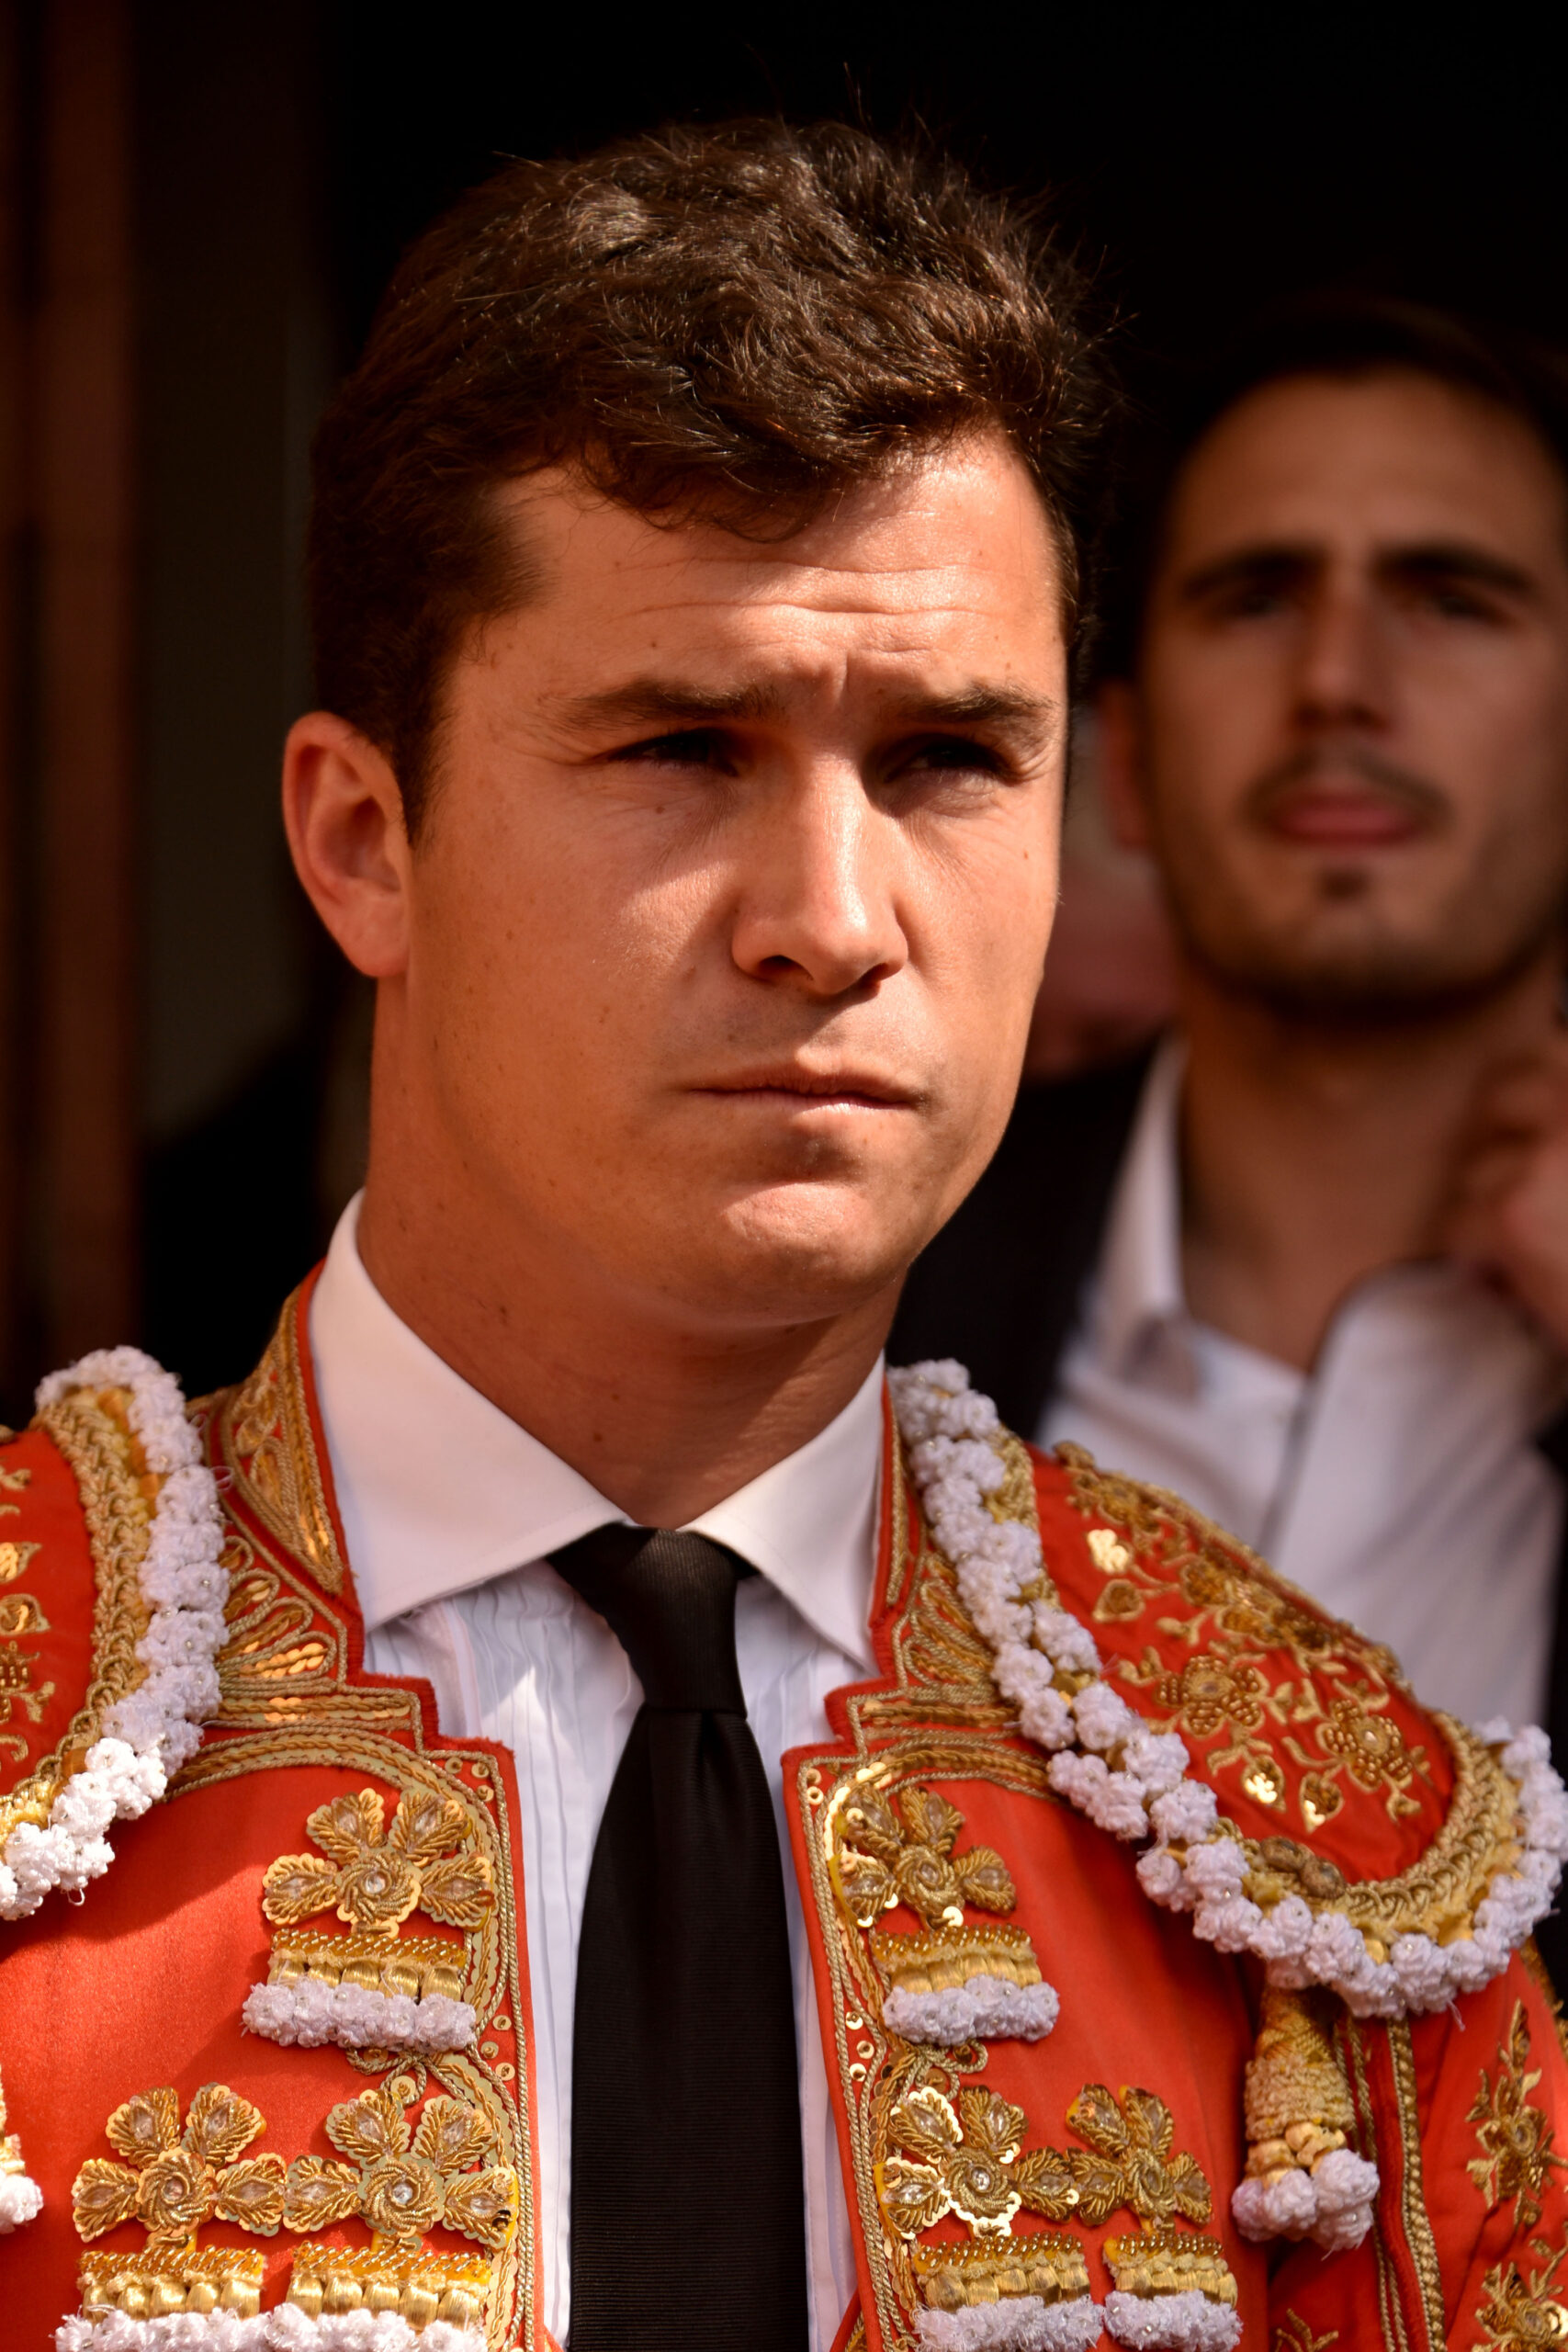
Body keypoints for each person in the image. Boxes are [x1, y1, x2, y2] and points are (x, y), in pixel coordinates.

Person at [1, 144, 1563, 2352]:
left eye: (942, 758)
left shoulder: (1328, 1847)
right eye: (681, 743)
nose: (829, 918)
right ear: (365, 843)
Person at [895, 297, 1568, 1933]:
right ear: (1117, 763)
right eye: (1256, 598)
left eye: (1451, 599)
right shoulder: (873, 1281)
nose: (1341, 679)